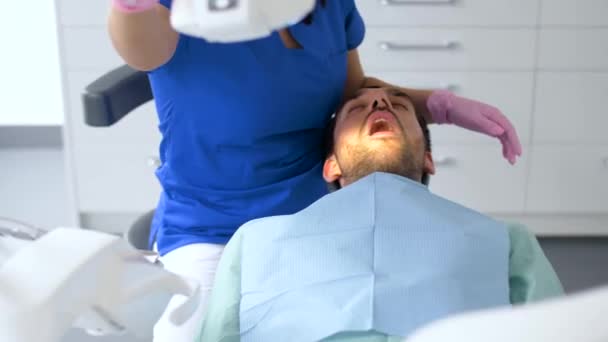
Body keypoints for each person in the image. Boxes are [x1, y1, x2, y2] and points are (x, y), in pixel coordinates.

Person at [108, 1, 523, 340]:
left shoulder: (329, 7)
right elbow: (137, 42)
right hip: (212, 226)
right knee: (191, 335)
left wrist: (439, 106)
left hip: (313, 219)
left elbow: (353, 92)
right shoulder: (184, 11)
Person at [197, 87, 562, 342]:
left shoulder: (504, 241)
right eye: (358, 109)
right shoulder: (256, 241)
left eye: (398, 106)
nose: (380, 104)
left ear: (428, 159)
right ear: (331, 166)